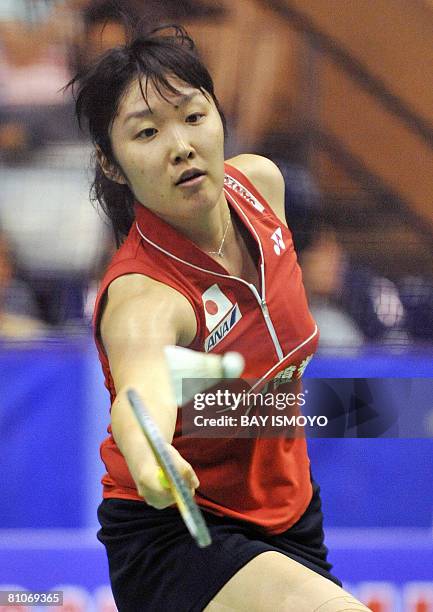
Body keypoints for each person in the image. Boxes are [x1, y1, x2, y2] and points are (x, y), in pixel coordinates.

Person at [68, 25, 370, 612]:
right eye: (148, 132)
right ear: (111, 163)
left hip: (290, 513)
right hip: (183, 532)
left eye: (193, 116)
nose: (180, 145)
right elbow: (139, 397)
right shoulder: (147, 297)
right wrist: (151, 450)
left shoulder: (261, 186)